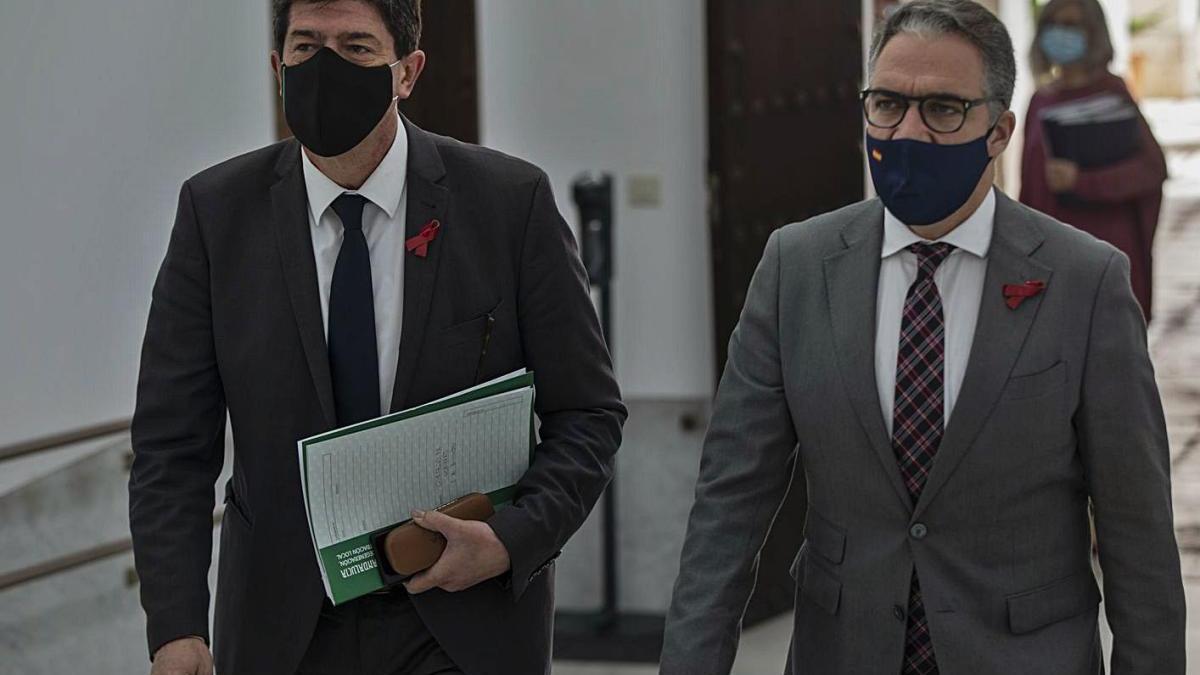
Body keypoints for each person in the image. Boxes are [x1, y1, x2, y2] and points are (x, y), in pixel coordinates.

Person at [660, 1, 1184, 674]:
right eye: (886, 103)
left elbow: (1137, 538)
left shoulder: (1086, 283)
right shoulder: (796, 267)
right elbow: (728, 506)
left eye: (941, 109)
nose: (906, 131)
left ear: (999, 131)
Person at [127, 1, 625, 674]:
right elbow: (170, 448)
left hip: (462, 618)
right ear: (277, 66)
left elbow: (588, 414)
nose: (325, 67)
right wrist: (176, 626)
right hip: (283, 629)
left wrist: (510, 539)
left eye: (357, 48)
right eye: (306, 48)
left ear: (407, 72)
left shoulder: (509, 206)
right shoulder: (216, 217)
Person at [1020, 0, 1167, 321]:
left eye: (1073, 25)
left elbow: (1152, 169)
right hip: (1054, 263)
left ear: (1093, 32)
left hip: (1109, 258)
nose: (1061, 33)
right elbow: (1028, 192)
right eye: (1054, 24)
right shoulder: (1039, 101)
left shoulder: (1112, 94)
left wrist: (1083, 182)